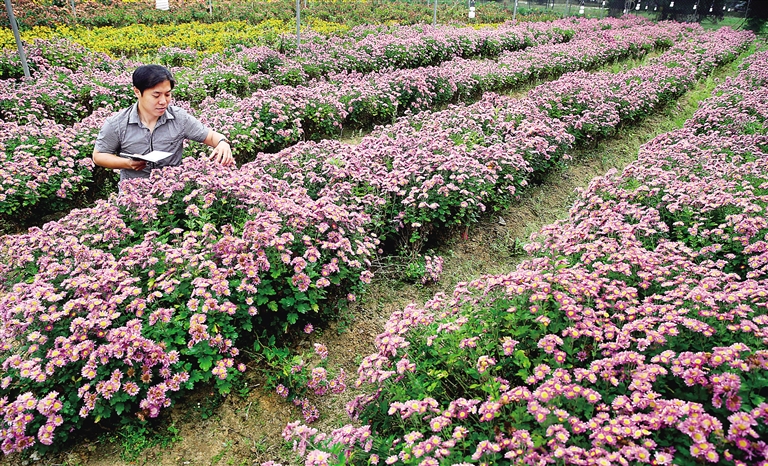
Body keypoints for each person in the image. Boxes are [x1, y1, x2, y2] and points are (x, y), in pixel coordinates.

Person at [92, 64, 234, 183]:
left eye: (167, 94)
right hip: (134, 196)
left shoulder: (179, 118)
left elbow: (209, 136)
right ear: (137, 92)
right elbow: (99, 156)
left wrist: (222, 142)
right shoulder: (117, 123)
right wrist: (127, 163)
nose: (163, 101)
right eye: (156, 95)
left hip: (172, 193)